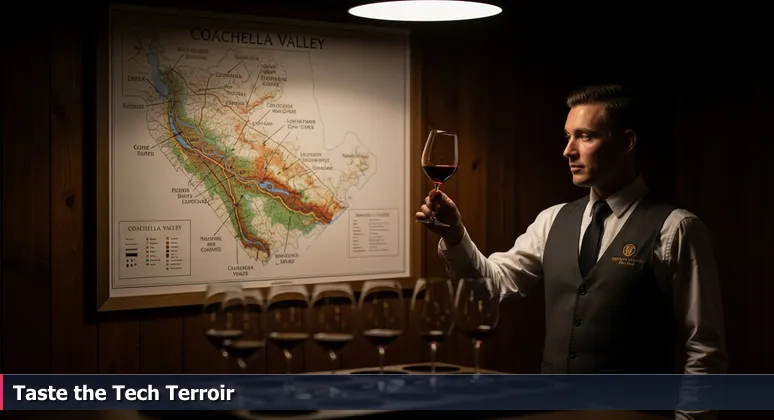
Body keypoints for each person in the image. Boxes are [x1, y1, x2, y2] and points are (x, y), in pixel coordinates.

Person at [416, 83, 727, 418]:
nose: (568, 150)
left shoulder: (677, 228)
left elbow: (704, 349)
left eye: (585, 136)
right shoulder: (553, 220)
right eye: (567, 136)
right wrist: (455, 235)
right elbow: (493, 286)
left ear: (627, 142)